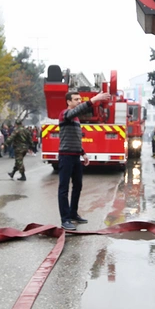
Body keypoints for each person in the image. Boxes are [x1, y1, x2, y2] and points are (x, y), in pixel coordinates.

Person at [58, 89, 111, 230]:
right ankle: (65, 219)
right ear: (68, 102)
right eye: (76, 99)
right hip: (66, 157)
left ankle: (73, 213)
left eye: (80, 99)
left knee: (78, 186)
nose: (79, 101)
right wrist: (93, 100)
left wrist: (83, 153)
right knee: (64, 189)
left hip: (76, 156)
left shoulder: (76, 119)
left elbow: (76, 138)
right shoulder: (65, 114)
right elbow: (75, 111)